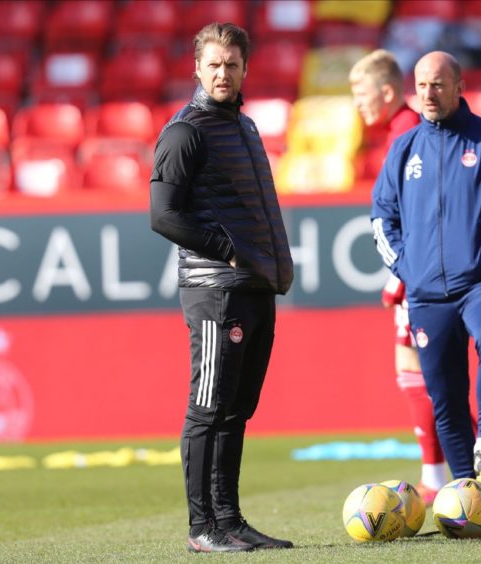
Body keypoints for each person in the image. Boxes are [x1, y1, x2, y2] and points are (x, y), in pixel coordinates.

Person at [150, 22, 294, 553]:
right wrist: (224, 247)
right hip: (216, 290)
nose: (222, 73)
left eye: (231, 64)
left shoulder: (247, 128)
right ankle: (201, 528)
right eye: (213, 64)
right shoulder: (185, 131)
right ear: (196, 68)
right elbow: (162, 216)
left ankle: (230, 521)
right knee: (208, 406)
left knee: (237, 409)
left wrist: (275, 265)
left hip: (255, 288)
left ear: (244, 68)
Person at [370, 51, 481, 481]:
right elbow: (381, 217)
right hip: (426, 290)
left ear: (459, 87)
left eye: (438, 84)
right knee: (444, 393)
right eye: (423, 84)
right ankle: (466, 486)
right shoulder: (404, 148)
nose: (429, 93)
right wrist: (406, 267)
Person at [349, 49, 445, 503]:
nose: (357, 102)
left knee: (414, 367)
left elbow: (418, 212)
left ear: (387, 91)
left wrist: (402, 275)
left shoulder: (406, 131)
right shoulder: (398, 130)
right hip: (418, 266)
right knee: (426, 368)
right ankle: (477, 454)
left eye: (360, 91)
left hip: (419, 270)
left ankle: (439, 474)